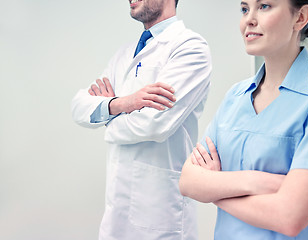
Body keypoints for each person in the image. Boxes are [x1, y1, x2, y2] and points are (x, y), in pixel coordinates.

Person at [179, 0, 308, 239]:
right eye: (245, 9)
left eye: (264, 6)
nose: (249, 20)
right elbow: (188, 181)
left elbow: (289, 218)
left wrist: (215, 190)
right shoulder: (236, 95)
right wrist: (259, 181)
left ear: (301, 17)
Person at [71, 0, 212, 239]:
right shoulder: (124, 54)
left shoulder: (190, 48)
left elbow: (154, 124)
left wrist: (107, 117)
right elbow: (79, 107)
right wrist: (123, 103)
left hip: (161, 214)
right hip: (117, 212)